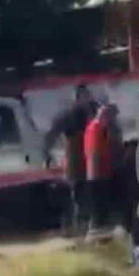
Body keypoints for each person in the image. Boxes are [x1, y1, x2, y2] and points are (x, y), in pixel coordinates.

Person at [43, 84, 99, 236]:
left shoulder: (95, 112)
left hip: (93, 160)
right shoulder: (67, 116)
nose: (86, 100)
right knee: (77, 196)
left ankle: (88, 227)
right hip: (76, 161)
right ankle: (76, 229)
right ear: (76, 98)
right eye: (82, 97)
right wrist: (46, 155)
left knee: (91, 195)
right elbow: (51, 135)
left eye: (87, 96)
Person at [83, 103, 121, 235]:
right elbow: (95, 153)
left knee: (101, 207)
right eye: (110, 117)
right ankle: (95, 231)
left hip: (100, 173)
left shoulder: (99, 127)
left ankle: (99, 229)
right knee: (98, 208)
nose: (112, 120)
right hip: (97, 175)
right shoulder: (95, 128)